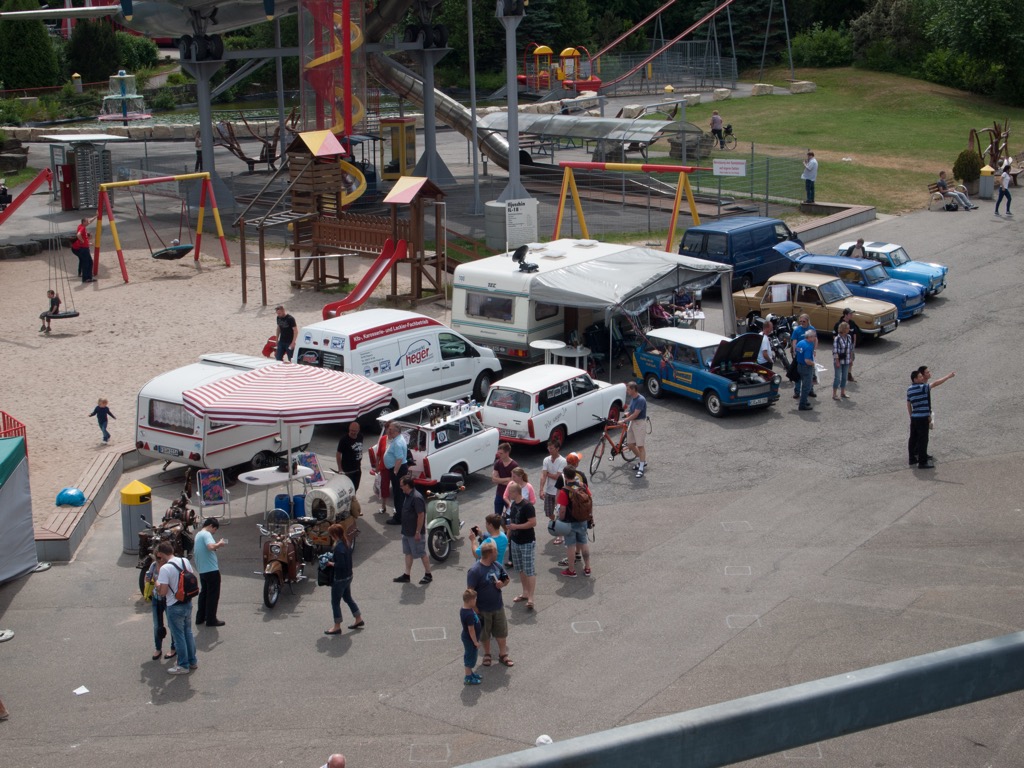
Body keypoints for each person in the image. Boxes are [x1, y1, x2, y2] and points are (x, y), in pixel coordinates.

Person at [466, 540, 512, 668]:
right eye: (496, 551)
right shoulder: (475, 571)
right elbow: (470, 592)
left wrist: (502, 584)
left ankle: (503, 655)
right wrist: (475, 609)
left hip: (498, 607)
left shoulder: (497, 565)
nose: (498, 553)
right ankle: (487, 654)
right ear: (490, 553)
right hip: (483, 609)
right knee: (485, 634)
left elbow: (506, 578)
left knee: (501, 632)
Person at [155, 541, 198, 675]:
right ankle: (193, 661)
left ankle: (183, 665)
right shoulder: (185, 561)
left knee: (179, 636)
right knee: (188, 633)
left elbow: (162, 592)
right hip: (187, 602)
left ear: (160, 554)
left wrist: (156, 583)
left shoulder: (165, 569)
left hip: (174, 606)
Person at [908, 365, 955, 469]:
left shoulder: (909, 389)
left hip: (915, 417)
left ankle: (912, 459)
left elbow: (908, 404)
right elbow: (935, 383)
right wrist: (948, 376)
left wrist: (911, 416)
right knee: (923, 439)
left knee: (913, 438)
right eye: (920, 377)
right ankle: (922, 462)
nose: (922, 378)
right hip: (922, 418)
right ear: (915, 379)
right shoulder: (923, 387)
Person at [325, 523, 363, 634]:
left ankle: (337, 626)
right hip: (348, 576)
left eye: (331, 535)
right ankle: (358, 618)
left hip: (340, 579)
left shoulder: (338, 547)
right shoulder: (347, 543)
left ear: (335, 535)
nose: (330, 537)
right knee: (347, 598)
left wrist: (330, 563)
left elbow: (340, 564)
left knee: (335, 602)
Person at [393, 475, 432, 585]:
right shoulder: (407, 495)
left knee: (421, 553)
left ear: (407, 485)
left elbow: (421, 515)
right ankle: (407, 575)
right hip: (406, 531)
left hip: (414, 533)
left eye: (402, 486)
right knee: (408, 553)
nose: (400, 487)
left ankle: (428, 574)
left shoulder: (416, 497)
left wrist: (417, 532)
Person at [555, 466, 592, 578]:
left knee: (570, 545)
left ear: (565, 477)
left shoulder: (564, 490)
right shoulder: (583, 486)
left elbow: (562, 509)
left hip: (570, 521)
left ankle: (571, 570)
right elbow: (589, 497)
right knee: (584, 543)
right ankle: (587, 568)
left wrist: (560, 520)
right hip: (582, 519)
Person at [506, 482, 537, 610]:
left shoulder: (527, 506)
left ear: (516, 493)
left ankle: (530, 598)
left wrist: (516, 527)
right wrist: (507, 538)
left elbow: (533, 523)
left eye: (510, 492)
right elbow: (511, 522)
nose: (508, 494)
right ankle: (525, 593)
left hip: (527, 541)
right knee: (520, 568)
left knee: (529, 569)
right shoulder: (513, 505)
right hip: (515, 541)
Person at [193, 517, 226, 628]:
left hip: (202, 570)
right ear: (211, 526)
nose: (214, 532)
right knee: (213, 595)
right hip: (211, 570)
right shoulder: (206, 534)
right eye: (215, 529)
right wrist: (219, 544)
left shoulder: (198, 535)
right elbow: (211, 546)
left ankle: (200, 617)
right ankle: (211, 619)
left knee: (204, 594)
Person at [145, 559, 175, 661]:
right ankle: (158, 648)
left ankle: (174, 648)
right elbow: (149, 579)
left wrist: (159, 584)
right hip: (156, 599)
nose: (159, 560)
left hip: (168, 599)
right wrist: (148, 579)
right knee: (157, 625)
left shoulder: (169, 566)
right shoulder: (153, 565)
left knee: (172, 624)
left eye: (161, 558)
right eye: (157, 558)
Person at [539, 439, 567, 545]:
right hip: (549, 491)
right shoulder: (546, 460)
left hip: (558, 492)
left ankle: (560, 535)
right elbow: (543, 476)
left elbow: (557, 477)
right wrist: (541, 489)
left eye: (551, 448)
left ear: (557, 449)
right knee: (549, 512)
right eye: (548, 448)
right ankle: (559, 525)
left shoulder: (563, 461)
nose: (549, 450)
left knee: (559, 512)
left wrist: (548, 474)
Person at [382, 422, 409, 525]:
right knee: (399, 494)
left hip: (398, 469)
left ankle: (399, 518)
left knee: (398, 494)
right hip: (399, 468)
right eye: (389, 429)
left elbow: (399, 458)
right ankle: (401, 515)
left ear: (397, 431)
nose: (389, 431)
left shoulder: (397, 442)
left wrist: (395, 472)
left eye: (391, 430)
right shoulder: (398, 439)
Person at [622, 381, 648, 478]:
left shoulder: (641, 399)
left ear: (633, 389)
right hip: (633, 423)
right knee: (630, 444)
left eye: (628, 389)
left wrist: (625, 420)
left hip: (639, 423)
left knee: (640, 446)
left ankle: (641, 467)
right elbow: (632, 411)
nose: (627, 391)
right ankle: (643, 461)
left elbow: (636, 414)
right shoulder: (633, 398)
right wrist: (627, 413)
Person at [790, 315, 816, 399]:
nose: (801, 323)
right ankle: (797, 392)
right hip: (800, 354)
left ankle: (810, 390)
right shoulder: (797, 329)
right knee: (798, 374)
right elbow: (794, 341)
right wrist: (794, 351)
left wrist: (814, 350)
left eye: (803, 321)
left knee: (810, 373)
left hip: (808, 353)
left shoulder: (812, 329)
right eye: (800, 321)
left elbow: (815, 340)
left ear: (808, 321)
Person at [460, 588, 482, 685]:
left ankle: (471, 673)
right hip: (470, 639)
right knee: (470, 656)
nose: (476, 600)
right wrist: (475, 642)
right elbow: (471, 630)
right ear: (470, 601)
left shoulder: (466, 609)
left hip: (470, 638)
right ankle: (468, 677)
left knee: (471, 655)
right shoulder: (468, 614)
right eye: (475, 599)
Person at [832, 308, 860, 382]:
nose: (852, 315)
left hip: (850, 345)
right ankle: (840, 375)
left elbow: (854, 334)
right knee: (841, 360)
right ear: (845, 315)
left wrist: (854, 344)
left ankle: (849, 374)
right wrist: (838, 344)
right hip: (841, 347)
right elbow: (834, 335)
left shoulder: (852, 323)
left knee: (851, 360)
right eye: (850, 314)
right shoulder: (839, 324)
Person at [491, 443, 518, 516]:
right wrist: (507, 479)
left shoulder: (514, 465)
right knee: (497, 516)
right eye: (498, 453)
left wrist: (499, 480)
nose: (499, 455)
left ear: (507, 453)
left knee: (510, 516)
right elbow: (493, 479)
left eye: (501, 453)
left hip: (510, 495)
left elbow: (513, 482)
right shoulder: (498, 463)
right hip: (499, 494)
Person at [336, 421, 363, 493]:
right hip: (347, 470)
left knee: (355, 487)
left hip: (357, 468)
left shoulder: (360, 436)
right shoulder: (344, 440)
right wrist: (340, 469)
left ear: (358, 430)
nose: (353, 432)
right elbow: (338, 454)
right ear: (349, 429)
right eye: (351, 430)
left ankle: (353, 500)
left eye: (355, 431)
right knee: (348, 489)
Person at [795, 329, 816, 411]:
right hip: (806, 368)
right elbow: (807, 360)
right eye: (814, 336)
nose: (815, 338)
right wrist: (814, 364)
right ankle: (802, 404)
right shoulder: (808, 346)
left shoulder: (800, 343)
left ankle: (805, 400)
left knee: (803, 384)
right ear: (810, 337)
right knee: (806, 386)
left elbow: (797, 351)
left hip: (799, 366)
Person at [832, 322, 853, 401]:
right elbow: (835, 351)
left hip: (846, 360)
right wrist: (837, 362)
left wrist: (851, 359)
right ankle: (834, 394)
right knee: (837, 378)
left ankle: (843, 392)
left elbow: (850, 349)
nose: (849, 329)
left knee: (844, 377)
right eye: (848, 328)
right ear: (843, 329)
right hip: (839, 361)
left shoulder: (849, 337)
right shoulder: (837, 339)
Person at [72, 217, 94, 283]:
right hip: (83, 249)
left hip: (82, 248)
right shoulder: (82, 228)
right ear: (84, 222)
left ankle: (88, 277)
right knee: (86, 262)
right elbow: (78, 234)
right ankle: (86, 278)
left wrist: (96, 216)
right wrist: (82, 240)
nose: (88, 222)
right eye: (87, 222)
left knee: (88, 262)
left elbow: (90, 220)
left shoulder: (81, 226)